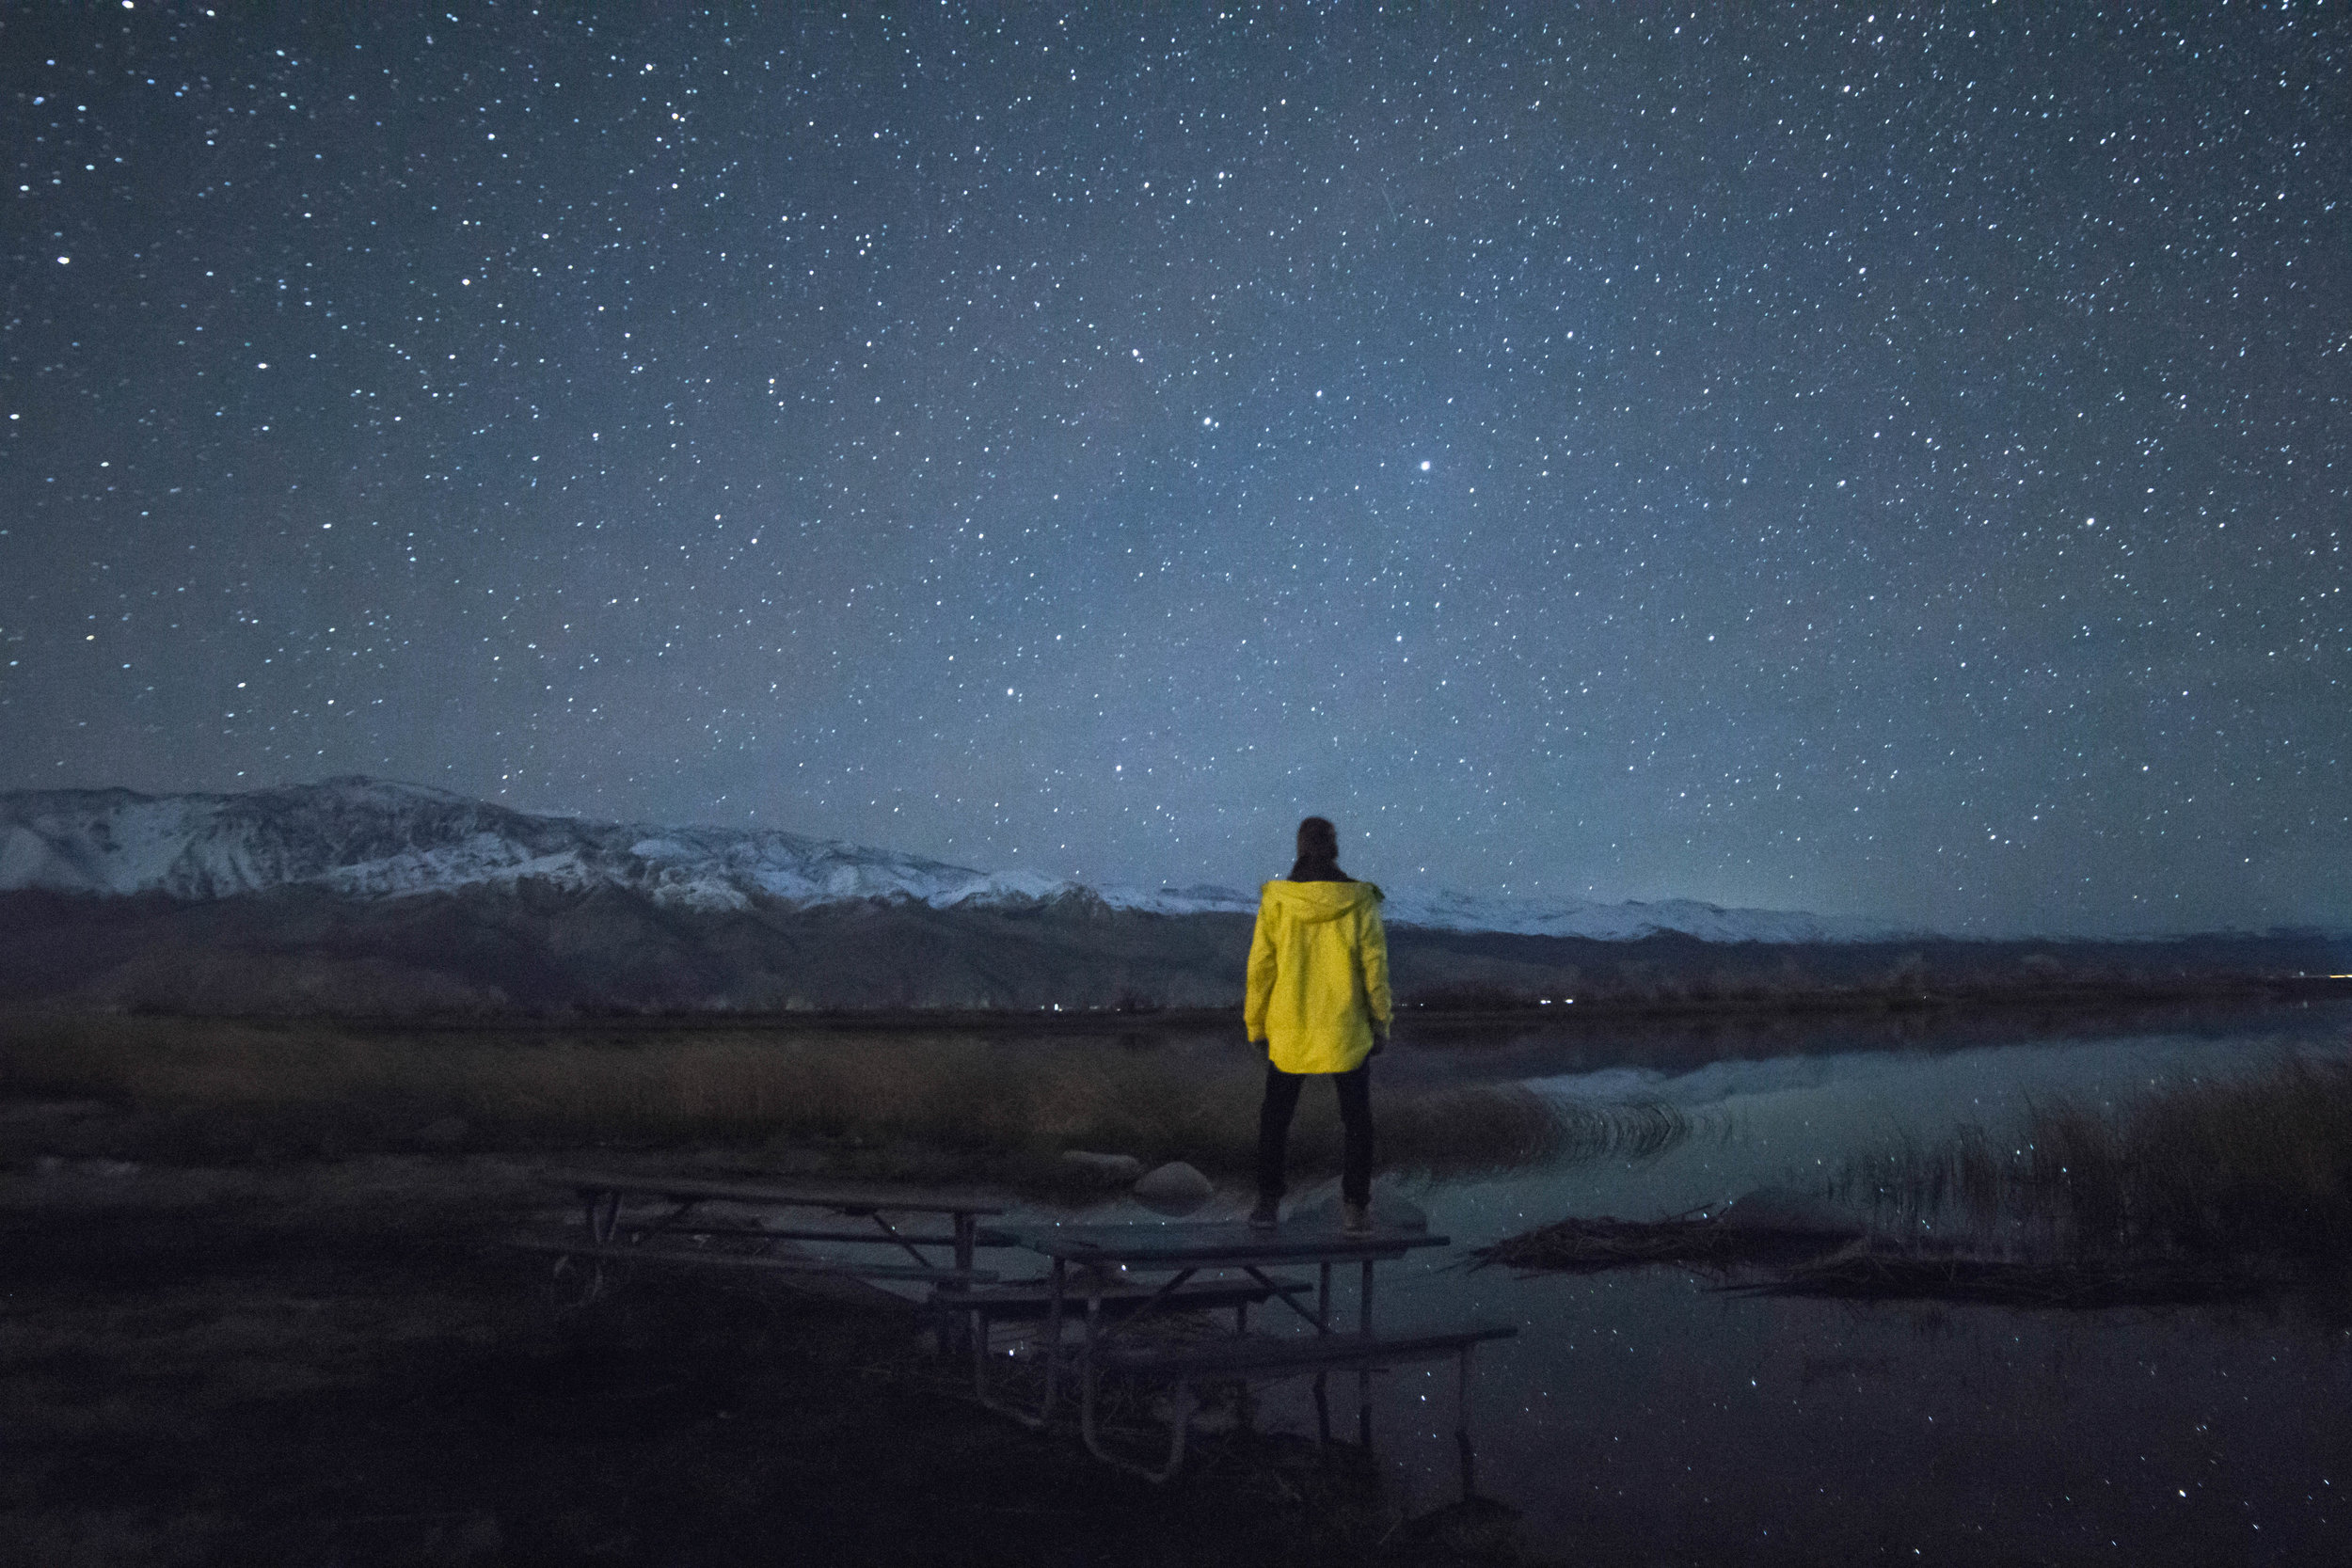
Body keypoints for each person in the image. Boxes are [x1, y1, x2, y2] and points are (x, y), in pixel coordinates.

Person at [1243, 816, 1392, 1235]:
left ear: (1299, 848)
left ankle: (1267, 1205)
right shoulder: (1359, 900)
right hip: (1345, 1029)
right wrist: (1380, 1023)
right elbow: (1375, 969)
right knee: (1358, 1122)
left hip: (1289, 1030)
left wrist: (1255, 1024)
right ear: (1335, 848)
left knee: (1275, 1118)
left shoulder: (1277, 900)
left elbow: (1260, 969)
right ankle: (1355, 1210)